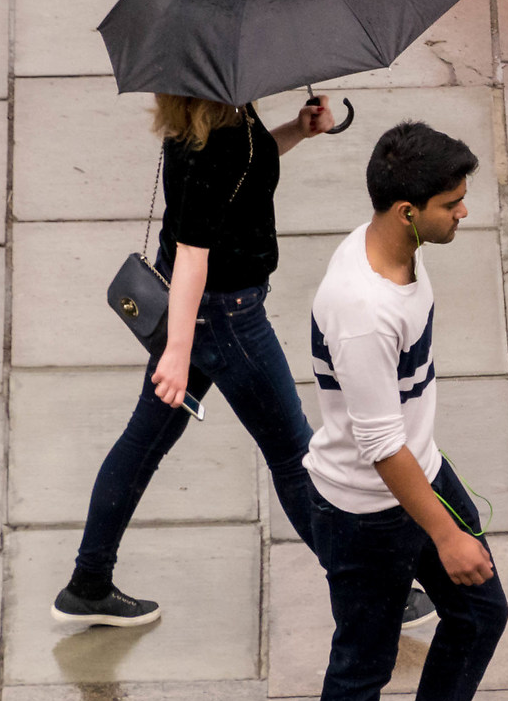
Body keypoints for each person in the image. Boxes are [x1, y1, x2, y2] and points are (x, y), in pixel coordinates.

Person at [54, 93, 345, 627]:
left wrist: (296, 130)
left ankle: (88, 583)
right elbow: (193, 252)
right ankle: (371, 591)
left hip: (199, 308)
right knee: (294, 455)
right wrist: (178, 352)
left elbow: (246, 170)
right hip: (226, 317)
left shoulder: (206, 116)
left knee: (142, 442)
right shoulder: (219, 139)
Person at [303, 120, 507, 701]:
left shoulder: (398, 254)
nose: (464, 212)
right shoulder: (362, 309)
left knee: (480, 613)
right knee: (362, 661)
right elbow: (378, 443)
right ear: (406, 211)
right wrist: (446, 535)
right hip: (368, 509)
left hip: (420, 476)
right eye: (452, 203)